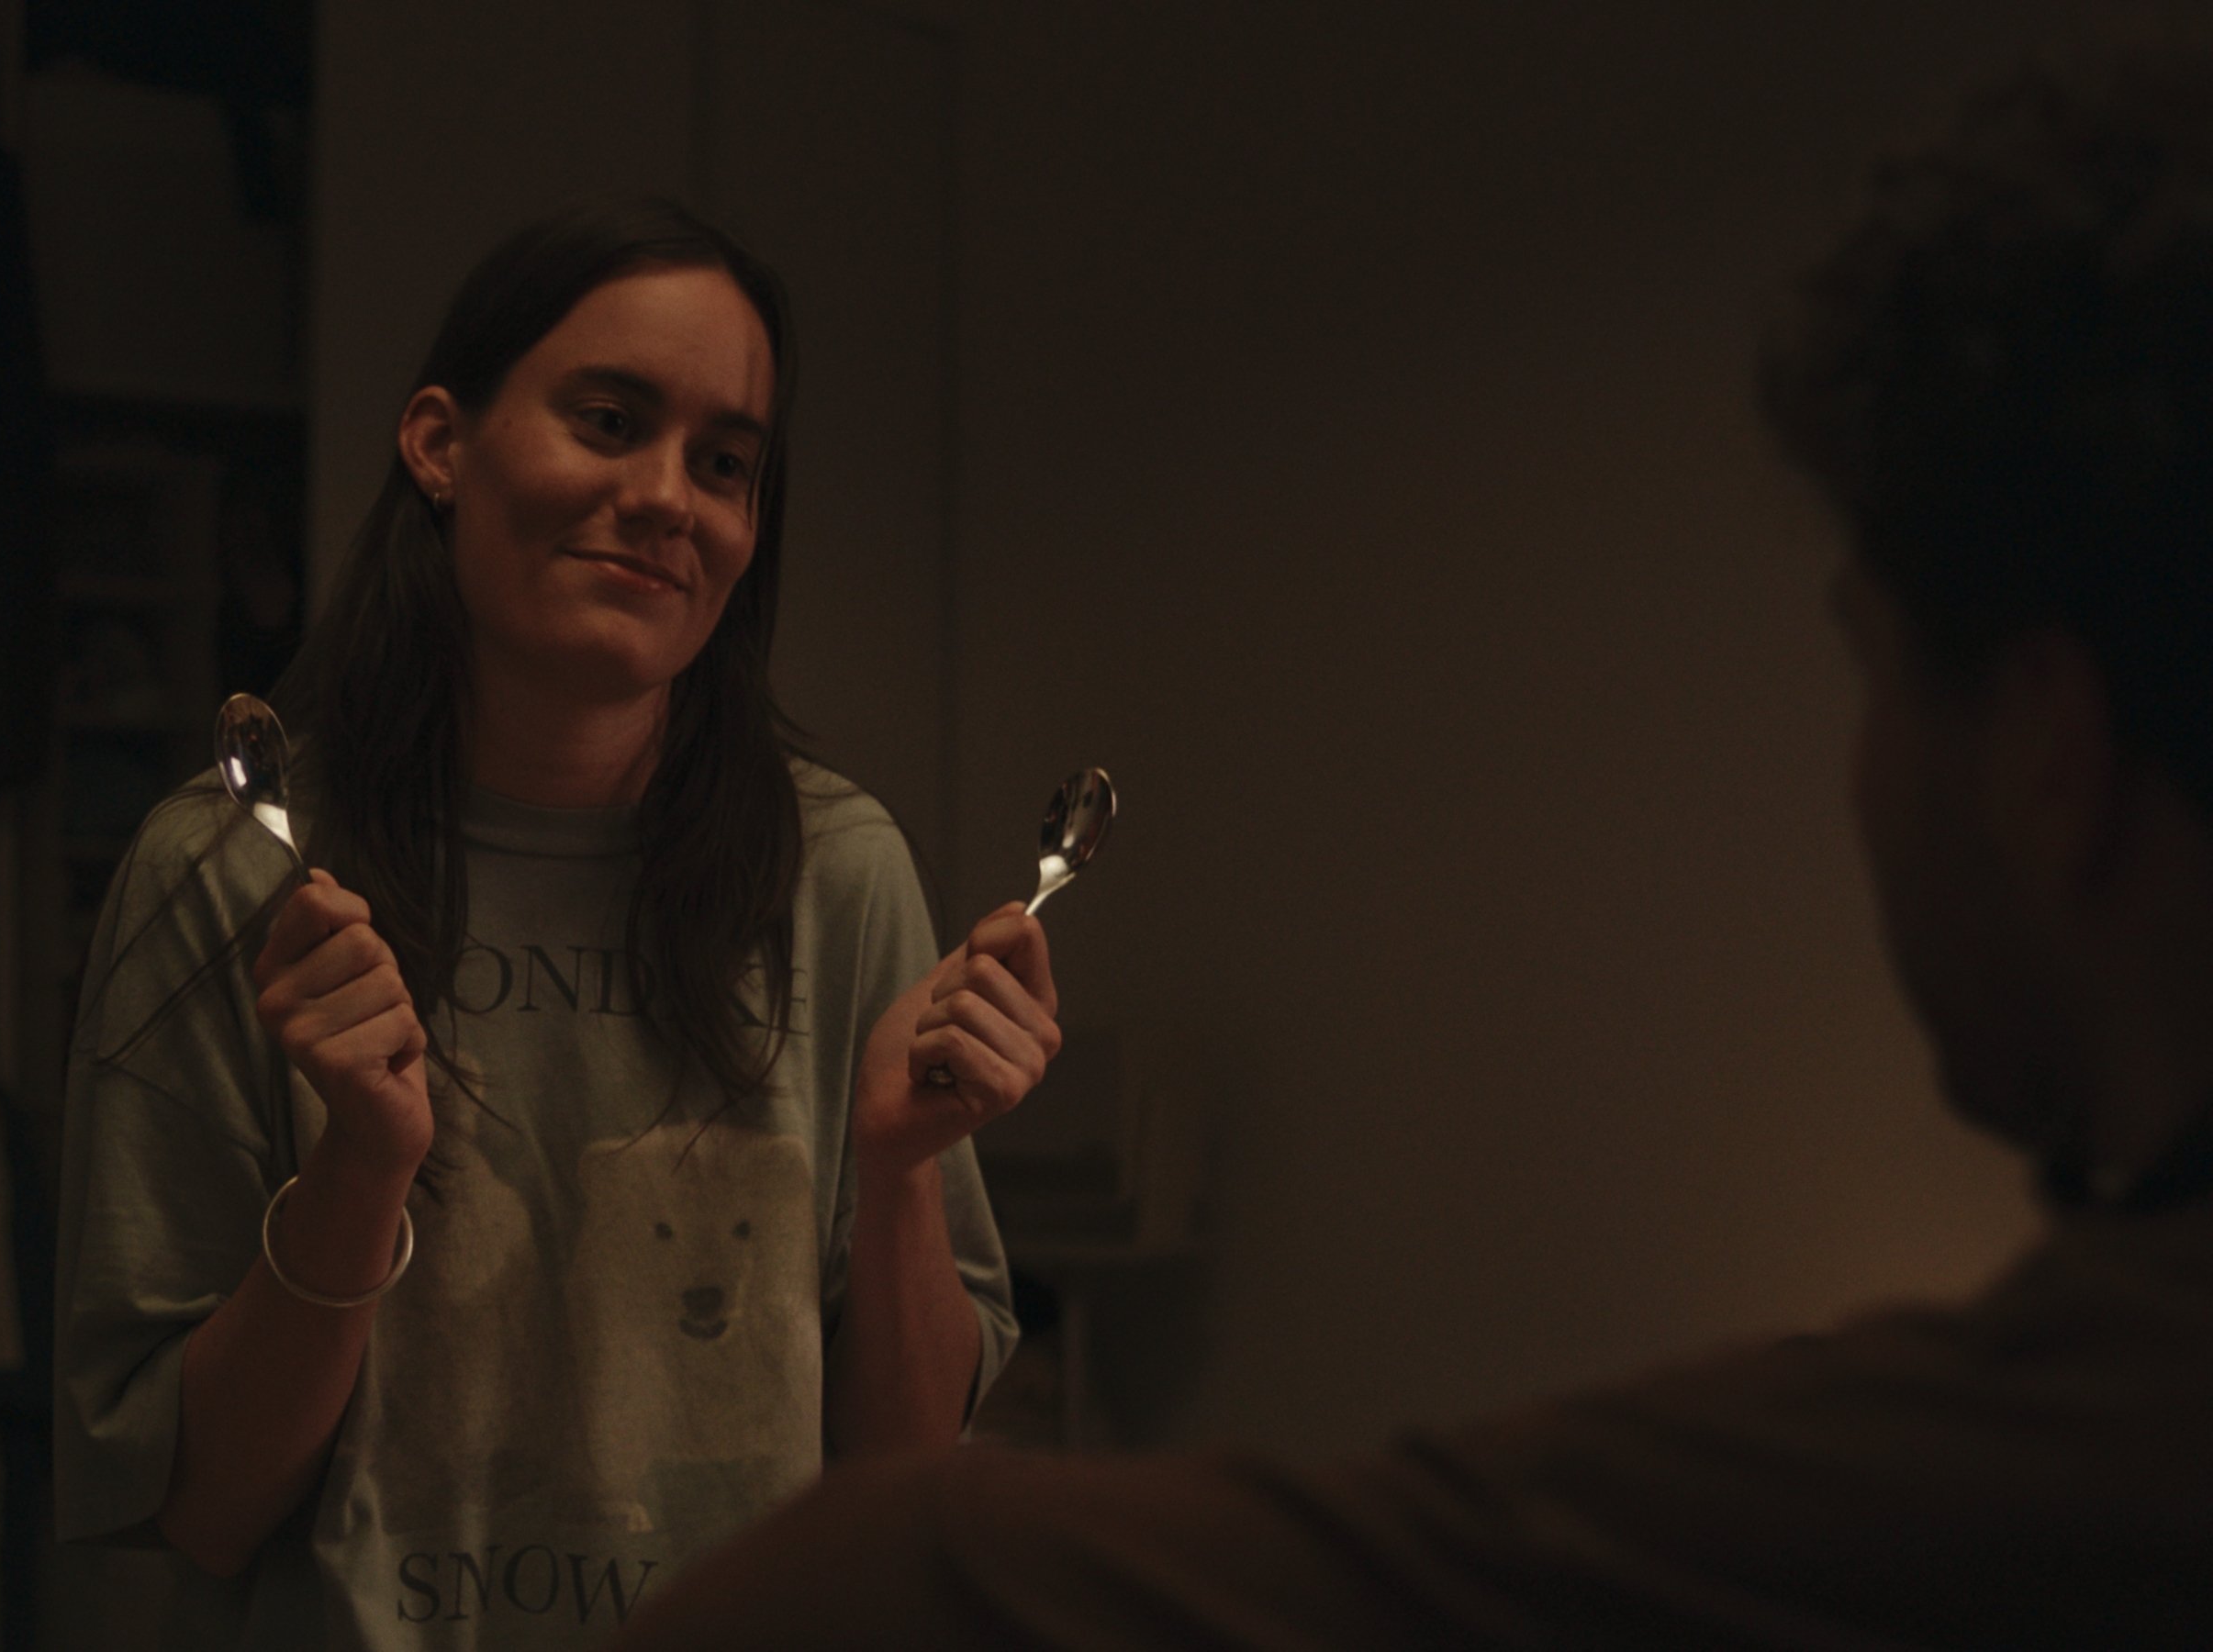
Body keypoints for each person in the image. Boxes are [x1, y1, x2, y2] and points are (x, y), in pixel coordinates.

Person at [607, 46, 2213, 1652]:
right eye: (608, 422)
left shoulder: (2096, 1439)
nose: (662, 504)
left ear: (2048, 751)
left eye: (1871, 667)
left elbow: (928, 1566)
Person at [52, 198, 1051, 1648]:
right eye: (609, 421)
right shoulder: (225, 874)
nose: (668, 498)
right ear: (439, 445)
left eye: (724, 464)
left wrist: (898, 1170)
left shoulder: (836, 872)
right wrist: (360, 1171)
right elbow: (200, 1510)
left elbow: (893, 1494)